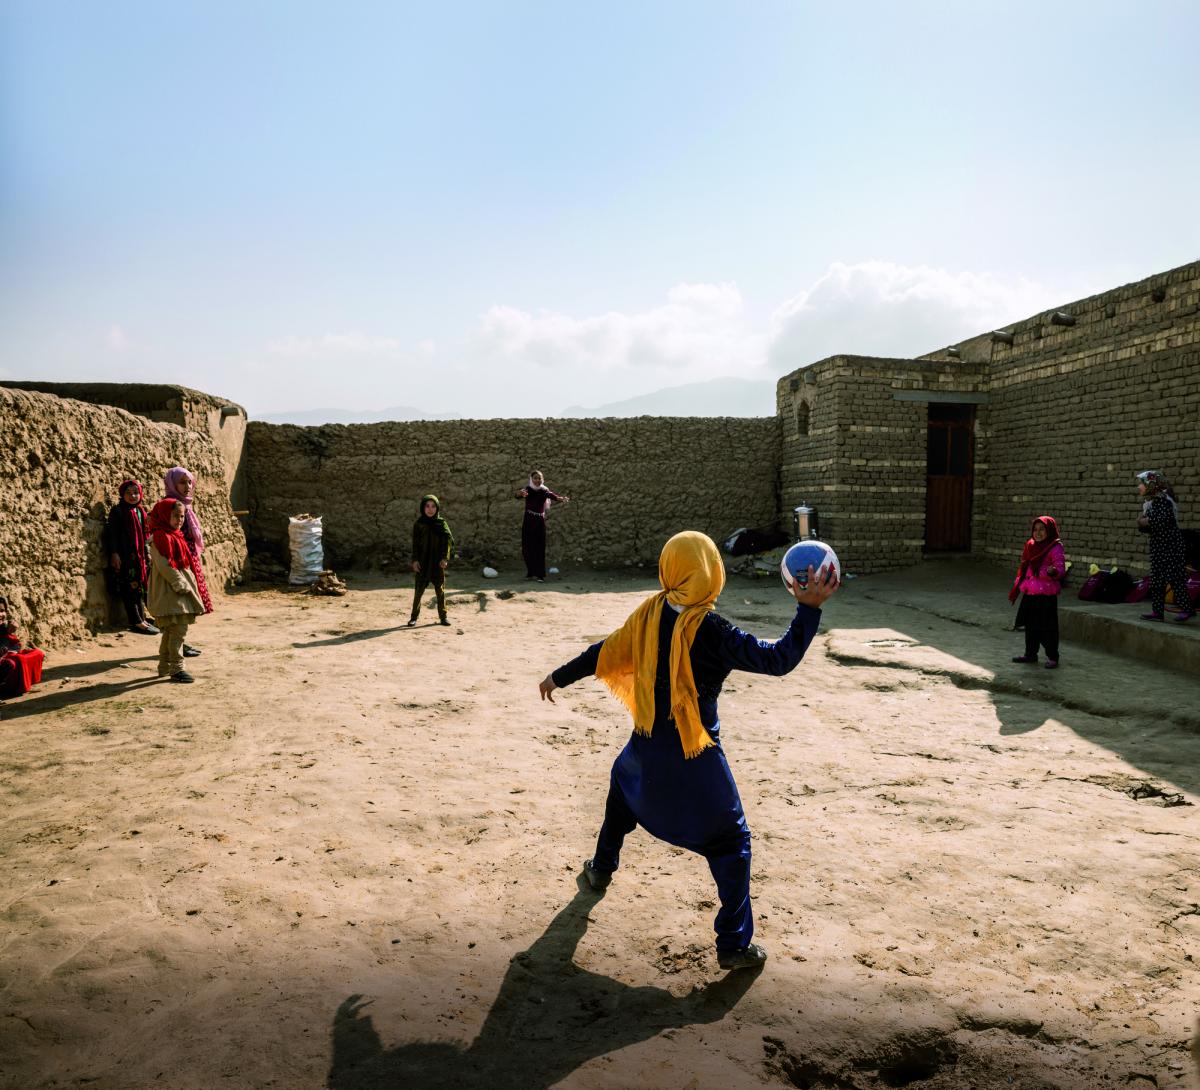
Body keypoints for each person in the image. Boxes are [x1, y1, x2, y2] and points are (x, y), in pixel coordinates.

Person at [538, 530, 838, 971]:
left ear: (670, 569)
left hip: (645, 746)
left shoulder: (648, 615)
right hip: (695, 756)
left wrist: (557, 677)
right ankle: (734, 945)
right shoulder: (713, 630)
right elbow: (777, 660)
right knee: (732, 841)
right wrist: (808, 610)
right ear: (712, 572)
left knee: (622, 790)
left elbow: (603, 652)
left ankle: (601, 868)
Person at [146, 498, 206, 683]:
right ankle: (177, 668)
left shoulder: (175, 536)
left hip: (176, 592)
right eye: (175, 516)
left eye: (181, 516)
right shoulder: (159, 538)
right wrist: (181, 584)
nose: (179, 520)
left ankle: (164, 666)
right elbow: (165, 566)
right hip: (171, 592)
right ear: (164, 515)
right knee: (179, 631)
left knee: (171, 631)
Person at [163, 467, 211, 655]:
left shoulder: (186, 506)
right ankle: (176, 646)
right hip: (176, 561)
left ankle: (180, 642)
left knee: (186, 604)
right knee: (179, 604)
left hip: (189, 559)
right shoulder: (169, 505)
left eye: (189, 481)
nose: (187, 486)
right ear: (172, 484)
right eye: (182, 482)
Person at [1008, 515, 1066, 668]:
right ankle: (1030, 654)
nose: (1038, 533)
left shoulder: (1055, 547)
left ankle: (1053, 656)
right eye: (1035, 529)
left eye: (1042, 529)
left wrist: (1052, 572)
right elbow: (1024, 566)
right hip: (1030, 592)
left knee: (1048, 626)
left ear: (1050, 530)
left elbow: (1060, 568)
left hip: (1046, 595)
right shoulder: (1030, 545)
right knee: (1030, 625)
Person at [1136, 470, 1193, 622]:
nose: (1139, 487)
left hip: (1170, 547)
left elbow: (1159, 522)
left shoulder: (1164, 501)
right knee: (1156, 580)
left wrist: (1144, 521)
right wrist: (1142, 522)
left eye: (1141, 483)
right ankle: (1157, 612)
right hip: (1159, 547)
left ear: (1151, 485)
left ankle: (1187, 609)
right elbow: (1145, 526)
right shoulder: (1152, 502)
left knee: (1175, 579)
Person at [104, 479, 158, 635]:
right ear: (122, 494)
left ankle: (142, 618)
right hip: (125, 557)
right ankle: (136, 621)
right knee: (129, 588)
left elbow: (145, 534)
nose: (133, 496)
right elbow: (112, 534)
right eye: (128, 493)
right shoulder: (118, 511)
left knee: (140, 588)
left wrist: (147, 553)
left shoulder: (140, 511)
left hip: (139, 558)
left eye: (135, 492)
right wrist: (114, 554)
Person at [408, 494, 453, 627]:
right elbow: (415, 544)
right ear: (423, 507)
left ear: (437, 508)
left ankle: (443, 617)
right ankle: (413, 617)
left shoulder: (442, 524)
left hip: (437, 563)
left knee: (440, 591)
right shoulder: (419, 524)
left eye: (433, 506)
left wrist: (445, 558)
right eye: (427, 506)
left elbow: (447, 542)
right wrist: (415, 560)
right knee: (418, 591)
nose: (430, 509)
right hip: (422, 562)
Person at [516, 470, 569, 581]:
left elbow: (554, 496)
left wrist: (561, 499)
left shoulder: (544, 491)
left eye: (539, 478)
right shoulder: (528, 489)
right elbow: (517, 495)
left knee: (539, 547)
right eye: (535, 478)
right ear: (531, 479)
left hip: (539, 521)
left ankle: (540, 575)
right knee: (527, 547)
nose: (537, 480)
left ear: (542, 479)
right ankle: (530, 573)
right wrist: (519, 494)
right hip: (528, 520)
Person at [0, 595, 45, 699]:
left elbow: (15, 647)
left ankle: (18, 684)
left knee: (37, 653)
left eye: (2, 611)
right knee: (13, 662)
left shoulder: (4, 626)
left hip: (5, 658)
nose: (0, 614)